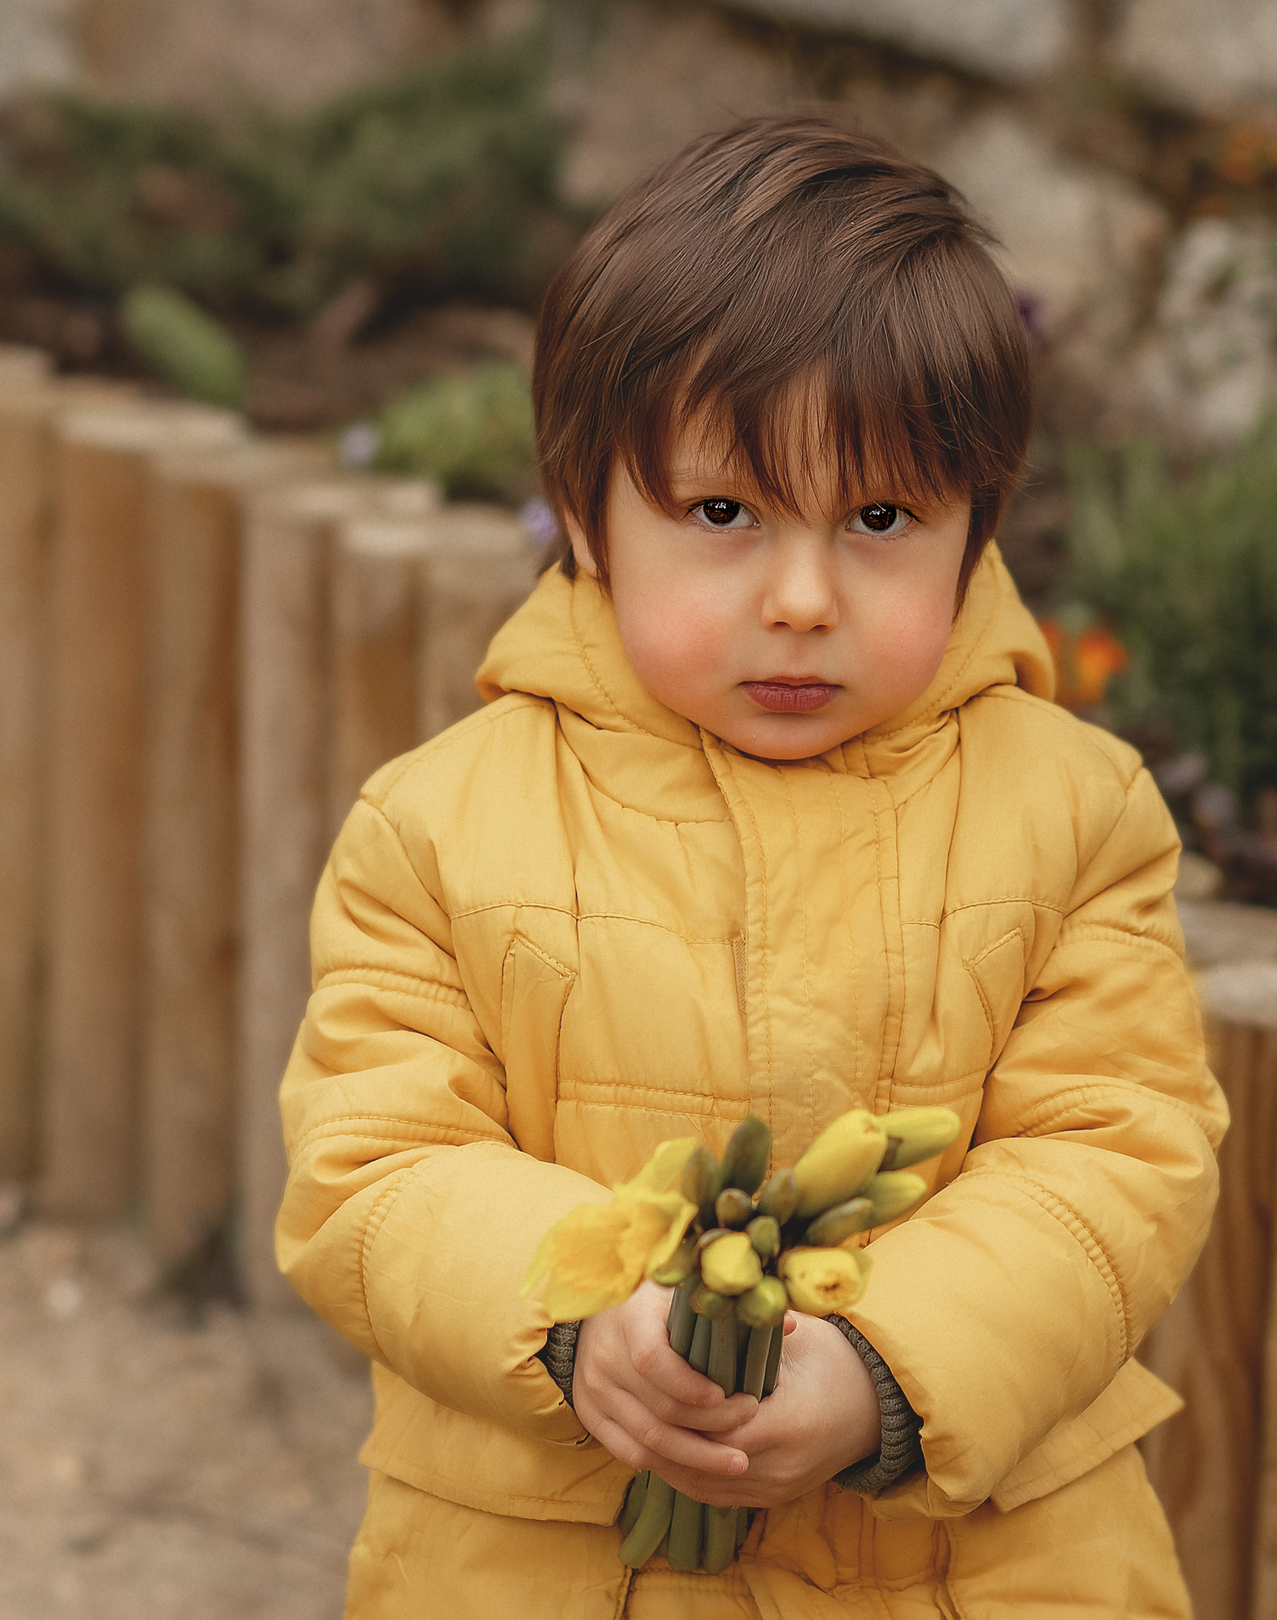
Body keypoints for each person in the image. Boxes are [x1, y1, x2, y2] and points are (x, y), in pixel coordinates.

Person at [275, 116, 1224, 1617]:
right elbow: (371, 1167)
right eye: (723, 513)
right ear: (586, 512)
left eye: (881, 519)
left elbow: (1114, 1156)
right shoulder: (436, 828)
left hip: (973, 1566)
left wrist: (885, 1368)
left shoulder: (1079, 816)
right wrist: (583, 1317)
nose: (800, 598)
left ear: (978, 531)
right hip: (551, 1561)